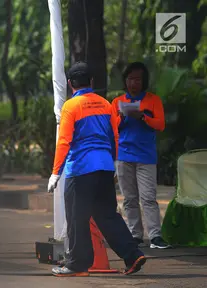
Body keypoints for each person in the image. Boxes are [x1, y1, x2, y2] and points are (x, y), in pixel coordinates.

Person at [48, 61, 146, 277]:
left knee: (76, 217)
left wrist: (56, 172)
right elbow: (115, 137)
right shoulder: (105, 104)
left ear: (70, 83)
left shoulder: (70, 106)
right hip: (104, 167)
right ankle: (132, 254)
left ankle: (77, 265)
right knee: (107, 215)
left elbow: (64, 141)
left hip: (81, 169)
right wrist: (111, 162)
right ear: (91, 81)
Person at [111, 62, 170, 249]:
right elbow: (111, 128)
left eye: (137, 79)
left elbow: (160, 125)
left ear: (143, 81)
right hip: (124, 155)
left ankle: (155, 237)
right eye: (130, 79)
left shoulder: (153, 100)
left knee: (148, 198)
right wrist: (122, 116)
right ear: (125, 81)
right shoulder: (117, 102)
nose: (133, 83)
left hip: (146, 156)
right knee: (129, 198)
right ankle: (135, 235)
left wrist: (143, 117)